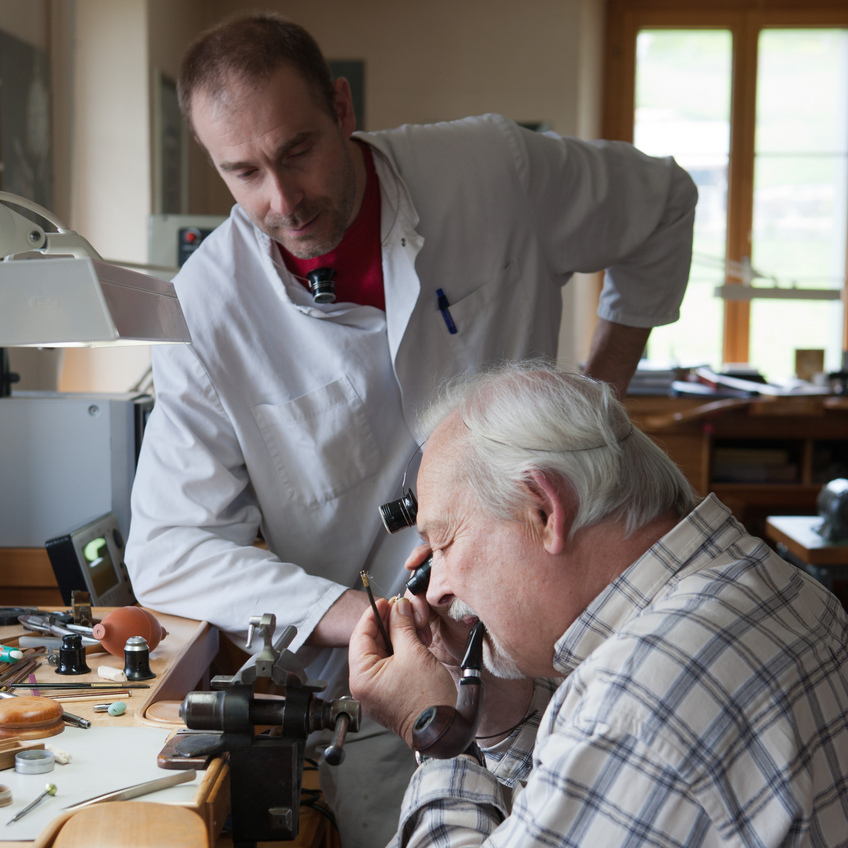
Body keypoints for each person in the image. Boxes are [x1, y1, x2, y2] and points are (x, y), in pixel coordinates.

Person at [124, 13, 696, 846]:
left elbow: (663, 205)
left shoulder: (492, 172)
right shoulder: (206, 311)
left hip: (571, 631)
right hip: (393, 691)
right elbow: (168, 547)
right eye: (242, 173)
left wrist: (598, 398)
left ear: (343, 106)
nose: (282, 201)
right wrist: (355, 615)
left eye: (297, 152)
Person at [348, 361, 848, 847]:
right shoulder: (773, 580)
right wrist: (485, 704)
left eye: (444, 543)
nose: (434, 588)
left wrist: (435, 731)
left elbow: (621, 735)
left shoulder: (636, 705)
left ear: (545, 509)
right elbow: (574, 795)